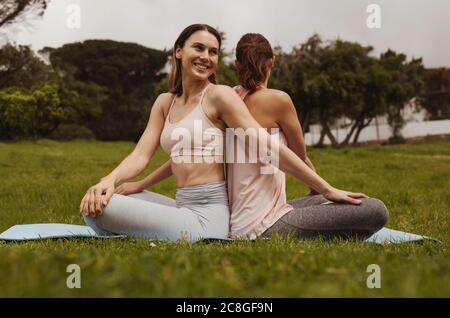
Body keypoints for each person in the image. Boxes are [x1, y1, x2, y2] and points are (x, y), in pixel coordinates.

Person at [80, 24, 371, 242]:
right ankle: (153, 224)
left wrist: (326, 189)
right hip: (182, 203)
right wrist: (110, 179)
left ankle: (170, 231)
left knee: (100, 210)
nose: (206, 57)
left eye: (213, 52)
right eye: (198, 48)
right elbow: (140, 155)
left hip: (209, 215)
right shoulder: (164, 102)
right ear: (179, 51)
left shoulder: (220, 96)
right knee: (98, 200)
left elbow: (266, 146)